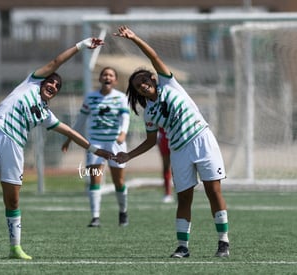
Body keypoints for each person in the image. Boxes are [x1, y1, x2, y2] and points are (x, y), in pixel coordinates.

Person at [0, 37, 111, 260]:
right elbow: (56, 61)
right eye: (51, 82)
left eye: (57, 86)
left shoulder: (45, 114)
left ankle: (15, 248)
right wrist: (81, 46)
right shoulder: (30, 83)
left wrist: (94, 150)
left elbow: (70, 132)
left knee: (12, 200)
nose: (53, 86)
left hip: (15, 148)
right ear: (42, 81)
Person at [113, 26, 230, 258]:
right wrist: (128, 155)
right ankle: (182, 246)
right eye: (138, 84)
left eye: (145, 79)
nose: (143, 83)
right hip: (179, 151)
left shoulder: (169, 84)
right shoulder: (149, 113)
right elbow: (149, 142)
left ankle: (223, 241)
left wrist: (135, 38)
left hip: (202, 140)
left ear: (153, 78)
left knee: (213, 191)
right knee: (184, 197)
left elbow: (153, 56)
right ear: (137, 91)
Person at [62, 67, 130, 227]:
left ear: (115, 80)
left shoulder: (120, 97)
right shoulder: (90, 98)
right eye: (104, 74)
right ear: (100, 79)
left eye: (111, 75)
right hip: (95, 144)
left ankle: (123, 212)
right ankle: (95, 217)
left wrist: (123, 133)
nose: (107, 77)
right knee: (94, 178)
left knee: (118, 181)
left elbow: (125, 117)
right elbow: (80, 120)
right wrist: (70, 138)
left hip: (115, 143)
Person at [158, 128, 174, 203]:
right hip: (164, 137)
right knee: (166, 167)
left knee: (178, 167)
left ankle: (181, 192)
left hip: (176, 135)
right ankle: (168, 193)